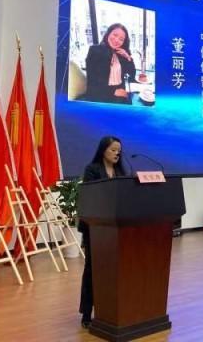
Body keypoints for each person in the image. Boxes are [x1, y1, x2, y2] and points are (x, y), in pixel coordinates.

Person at [78, 136, 128, 328]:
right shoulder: (92, 170)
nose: (117, 153)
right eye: (113, 150)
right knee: (92, 269)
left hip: (117, 229)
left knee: (114, 270)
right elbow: (90, 197)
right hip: (96, 229)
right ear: (103, 150)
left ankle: (110, 310)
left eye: (119, 151)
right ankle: (86, 313)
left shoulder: (121, 172)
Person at [84, 23, 137, 103]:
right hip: (101, 95)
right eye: (115, 35)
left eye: (121, 39)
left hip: (120, 93)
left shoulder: (121, 54)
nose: (116, 40)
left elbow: (132, 76)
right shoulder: (95, 50)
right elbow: (92, 81)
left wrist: (128, 58)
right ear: (108, 33)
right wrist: (114, 91)